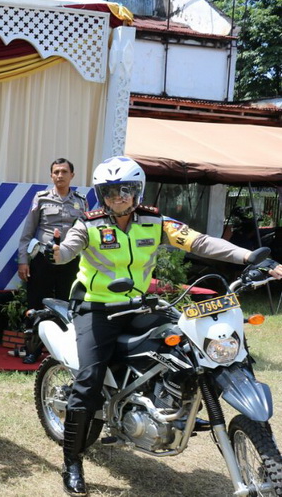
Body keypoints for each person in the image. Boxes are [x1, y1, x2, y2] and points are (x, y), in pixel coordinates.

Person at [47, 156, 282, 496]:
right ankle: (72, 461)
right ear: (101, 194)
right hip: (95, 309)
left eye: (126, 190)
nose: (119, 197)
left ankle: (166, 403)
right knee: (88, 382)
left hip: (139, 304)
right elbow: (68, 250)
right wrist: (55, 252)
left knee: (187, 345)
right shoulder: (89, 225)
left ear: (137, 191)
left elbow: (200, 242)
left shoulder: (155, 222)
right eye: (110, 192)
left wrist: (249, 257)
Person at [16, 158, 88, 364]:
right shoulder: (41, 198)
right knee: (36, 305)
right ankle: (33, 350)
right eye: (56, 172)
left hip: (70, 261)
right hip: (43, 260)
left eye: (64, 171)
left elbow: (87, 233)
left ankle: (66, 351)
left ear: (72, 175)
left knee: (69, 305)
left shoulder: (81, 201)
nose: (60, 175)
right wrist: (23, 261)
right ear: (51, 175)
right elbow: (28, 232)